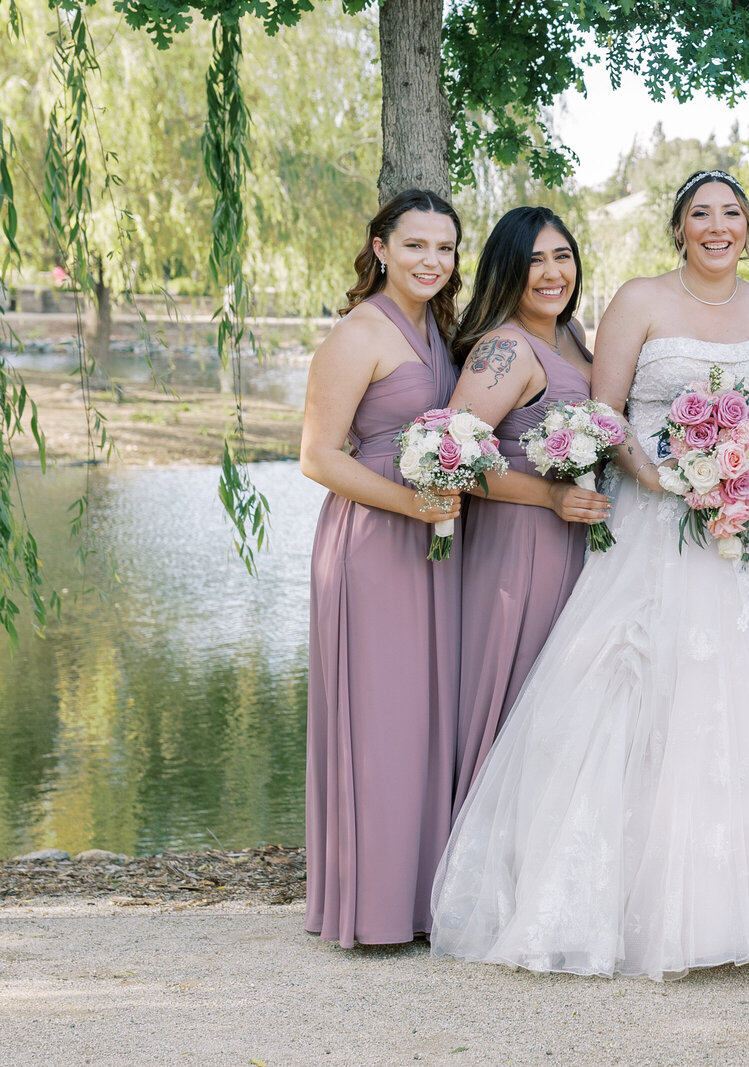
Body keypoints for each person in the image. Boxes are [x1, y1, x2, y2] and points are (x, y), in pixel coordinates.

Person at [428, 171, 749, 980]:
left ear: (747, 225)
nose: (717, 226)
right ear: (679, 227)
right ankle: (625, 903)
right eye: (701, 214)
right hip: (653, 513)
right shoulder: (637, 300)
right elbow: (606, 407)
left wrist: (745, 468)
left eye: (731, 212)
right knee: (637, 689)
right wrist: (656, 475)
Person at [300, 189, 464, 947]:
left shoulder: (441, 329)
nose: (432, 260)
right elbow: (318, 456)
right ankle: (370, 907)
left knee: (428, 715)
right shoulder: (359, 331)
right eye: (416, 245)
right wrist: (411, 505)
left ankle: (421, 899)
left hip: (433, 540)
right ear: (380, 246)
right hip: (372, 541)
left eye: (445, 247)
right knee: (382, 718)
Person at [445, 207, 608, 814]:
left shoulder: (567, 336)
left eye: (561, 256)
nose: (551, 272)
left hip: (574, 539)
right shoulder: (506, 348)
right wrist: (550, 495)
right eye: (534, 259)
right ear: (506, 270)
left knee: (563, 705)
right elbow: (455, 455)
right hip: (521, 544)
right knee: (517, 696)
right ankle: (483, 872)